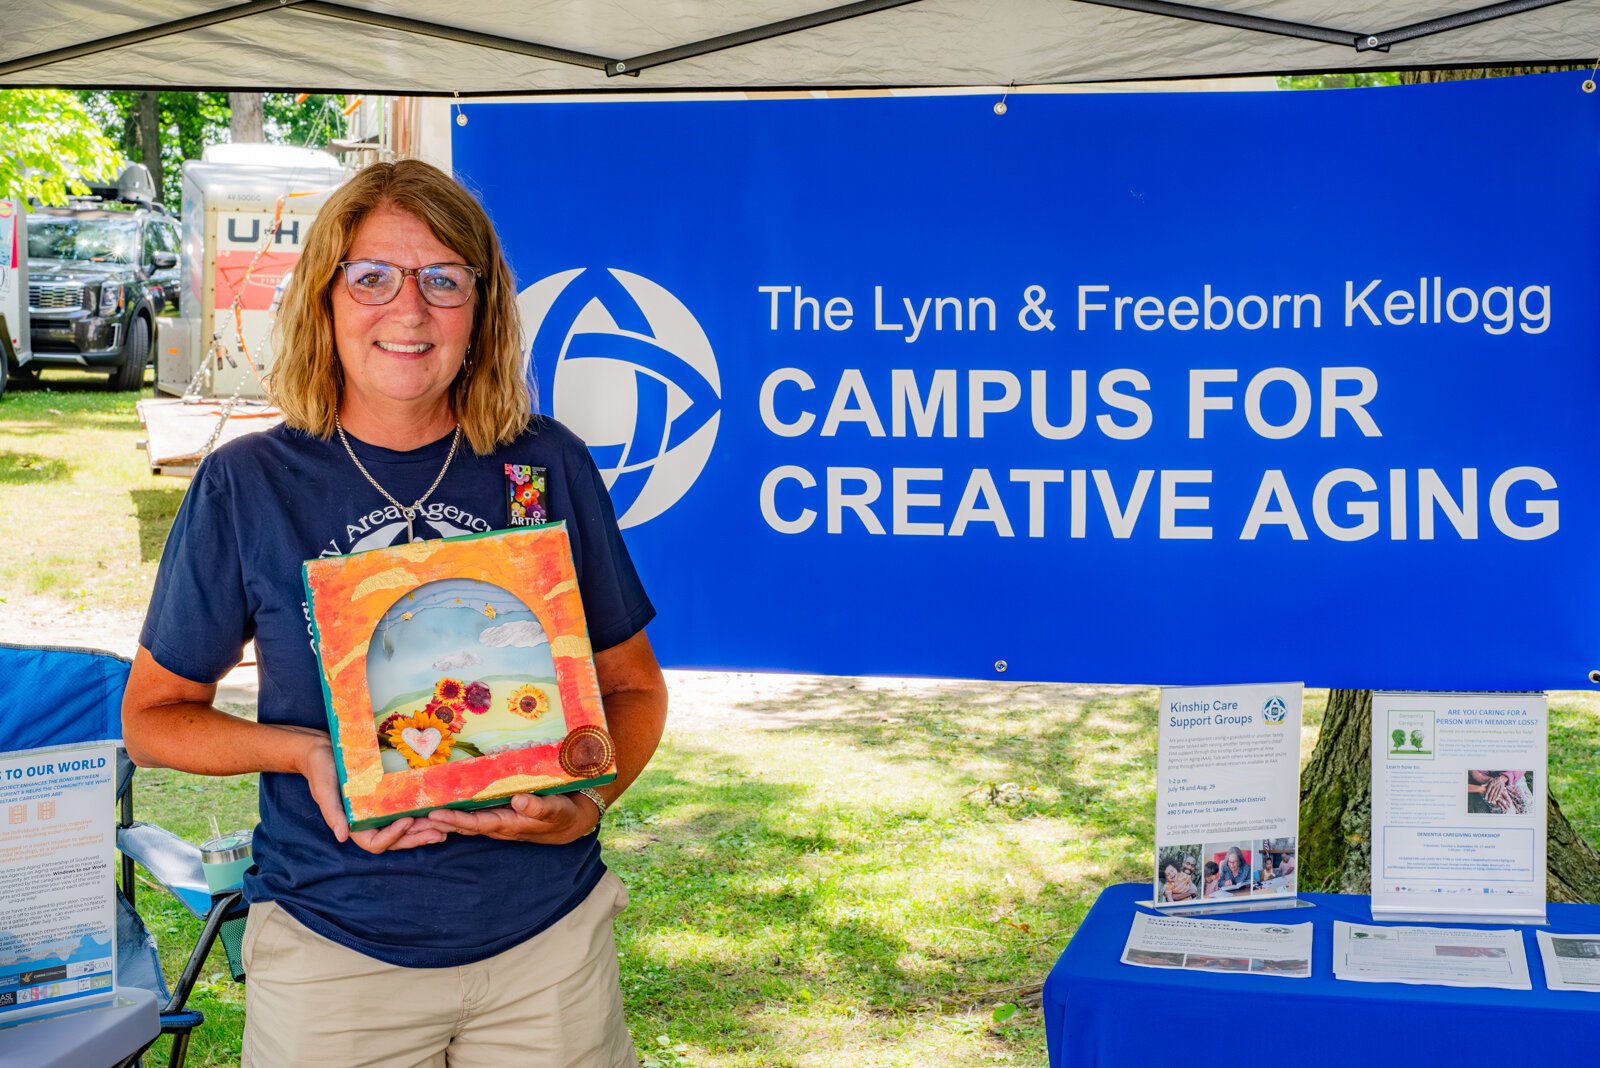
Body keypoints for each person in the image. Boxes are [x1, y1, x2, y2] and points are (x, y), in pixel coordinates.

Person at [122, 159, 667, 1068]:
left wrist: (586, 802)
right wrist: (301, 752)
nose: (408, 311)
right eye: (372, 277)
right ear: (325, 298)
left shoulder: (547, 465)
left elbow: (633, 690)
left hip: (547, 954)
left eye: (443, 280)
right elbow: (151, 720)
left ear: (481, 308)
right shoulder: (250, 483)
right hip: (335, 957)